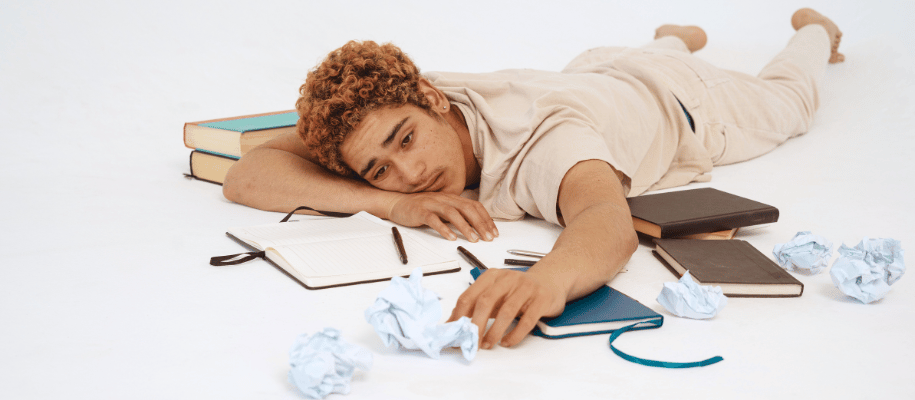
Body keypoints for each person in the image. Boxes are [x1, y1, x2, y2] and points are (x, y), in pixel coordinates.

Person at [223, 9, 844, 350]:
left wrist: (547, 280)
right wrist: (388, 206)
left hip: (687, 104)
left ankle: (815, 32)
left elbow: (606, 221)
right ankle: (672, 37)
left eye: (405, 140)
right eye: (380, 167)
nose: (408, 174)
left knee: (791, 102)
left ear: (434, 99)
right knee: (627, 61)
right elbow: (248, 172)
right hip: (594, 71)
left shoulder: (546, 142)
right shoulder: (389, 103)